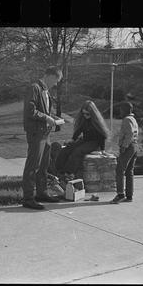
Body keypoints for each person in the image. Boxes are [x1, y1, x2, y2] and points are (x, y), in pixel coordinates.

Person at [22, 66, 63, 210]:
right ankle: (28, 198)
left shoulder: (45, 91)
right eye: (56, 80)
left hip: (46, 133)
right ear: (49, 76)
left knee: (44, 165)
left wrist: (53, 117)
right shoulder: (34, 88)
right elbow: (30, 111)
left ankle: (42, 193)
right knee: (33, 166)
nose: (56, 84)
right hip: (36, 133)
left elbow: (44, 110)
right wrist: (46, 117)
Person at [55, 100, 110, 180]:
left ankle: (69, 173)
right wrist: (72, 140)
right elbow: (79, 130)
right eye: (83, 114)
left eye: (87, 114)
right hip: (85, 140)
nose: (85, 116)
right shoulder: (84, 121)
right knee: (67, 149)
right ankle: (59, 170)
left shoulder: (96, 122)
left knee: (78, 151)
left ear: (92, 113)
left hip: (94, 143)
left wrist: (102, 150)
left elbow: (102, 136)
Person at [110, 101, 139, 204]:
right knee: (129, 172)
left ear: (126, 110)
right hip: (135, 146)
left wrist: (124, 146)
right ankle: (129, 196)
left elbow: (130, 134)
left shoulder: (126, 120)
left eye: (121, 110)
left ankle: (120, 194)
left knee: (119, 170)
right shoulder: (133, 119)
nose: (120, 112)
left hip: (128, 147)